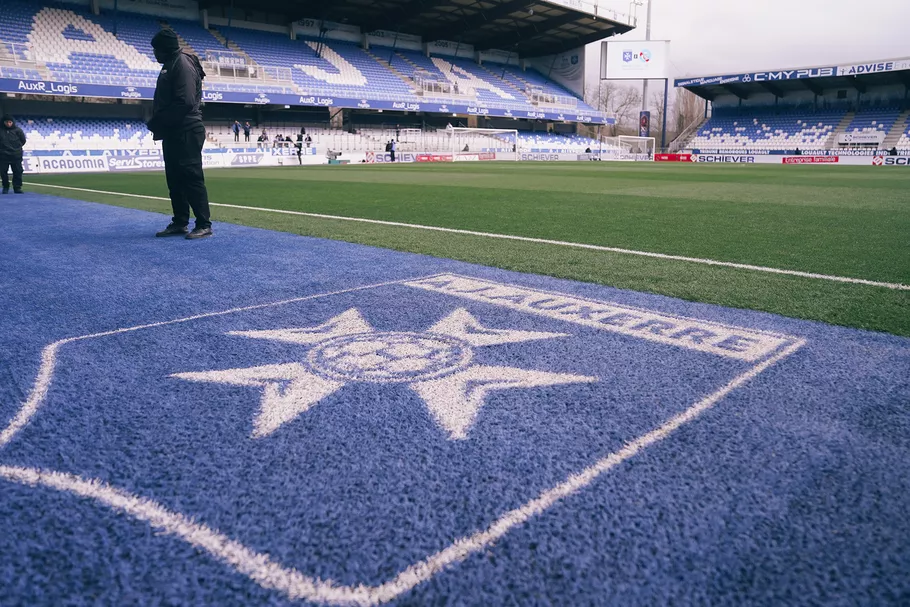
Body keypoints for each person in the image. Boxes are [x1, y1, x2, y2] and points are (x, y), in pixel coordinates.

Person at [146, 29, 212, 239]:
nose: (155, 54)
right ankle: (180, 222)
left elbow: (185, 102)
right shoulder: (171, 63)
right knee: (174, 179)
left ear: (164, 48)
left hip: (187, 129)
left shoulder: (181, 63)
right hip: (174, 131)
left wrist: (158, 121)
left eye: (156, 50)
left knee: (191, 177)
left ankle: (203, 224)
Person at [0, 114, 26, 194]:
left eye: (10, 122)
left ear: (12, 122)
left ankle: (17, 187)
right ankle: (5, 187)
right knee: (3, 172)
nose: (8, 124)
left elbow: (23, 141)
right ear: (4, 122)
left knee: (18, 171)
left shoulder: (18, 130)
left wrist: (16, 149)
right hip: (3, 155)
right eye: (7, 122)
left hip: (16, 155)